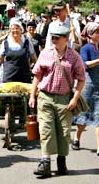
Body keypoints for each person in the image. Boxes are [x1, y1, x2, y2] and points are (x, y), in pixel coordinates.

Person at [29, 24, 85, 177]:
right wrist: (32, 95)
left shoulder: (74, 57)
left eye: (57, 37)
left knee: (64, 132)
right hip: (45, 97)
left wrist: (75, 98)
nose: (53, 40)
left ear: (66, 39)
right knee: (46, 130)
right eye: (52, 37)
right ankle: (45, 162)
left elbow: (81, 79)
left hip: (64, 100)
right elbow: (37, 76)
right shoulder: (45, 54)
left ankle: (61, 161)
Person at [72, 22, 99, 159]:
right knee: (83, 116)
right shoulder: (85, 49)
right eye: (97, 31)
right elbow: (84, 65)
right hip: (88, 87)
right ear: (90, 35)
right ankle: (77, 137)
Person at [0, 17, 37, 84]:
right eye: (13, 29)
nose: (15, 30)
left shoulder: (27, 42)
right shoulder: (5, 43)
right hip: (9, 78)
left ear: (21, 30)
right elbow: (0, 59)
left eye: (17, 28)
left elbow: (34, 58)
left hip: (24, 78)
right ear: (10, 31)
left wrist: (39, 72)